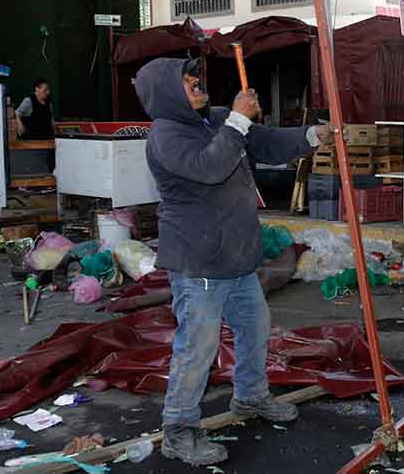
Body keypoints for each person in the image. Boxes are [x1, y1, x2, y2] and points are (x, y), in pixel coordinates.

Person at [135, 58, 327, 466]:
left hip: (235, 255)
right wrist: (237, 120)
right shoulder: (165, 136)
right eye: (187, 82)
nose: (196, 83)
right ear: (168, 93)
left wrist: (312, 135)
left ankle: (250, 396)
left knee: (255, 327)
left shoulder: (216, 119)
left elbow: (266, 141)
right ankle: (179, 429)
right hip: (199, 258)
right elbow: (210, 168)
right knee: (198, 346)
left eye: (195, 78)